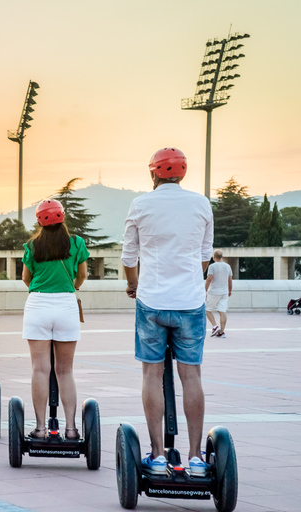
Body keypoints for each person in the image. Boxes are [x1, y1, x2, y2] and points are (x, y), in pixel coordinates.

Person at [121, 147, 213, 477]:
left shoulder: (141, 204)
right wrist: (190, 278)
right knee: (192, 376)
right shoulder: (201, 203)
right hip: (190, 302)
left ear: (153, 173)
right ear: (183, 173)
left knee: (152, 375)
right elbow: (205, 257)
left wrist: (134, 284)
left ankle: (158, 456)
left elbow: (129, 257)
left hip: (152, 301)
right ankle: (196, 457)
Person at [22, 199, 89, 440]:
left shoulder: (32, 245)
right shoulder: (76, 243)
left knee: (40, 369)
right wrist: (69, 287)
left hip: (38, 305)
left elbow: (26, 278)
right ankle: (71, 428)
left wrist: (43, 288)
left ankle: (40, 428)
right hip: (66, 305)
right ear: (62, 216)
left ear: (39, 219)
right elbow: (82, 276)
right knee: (65, 371)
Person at [205, 249, 233, 337]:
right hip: (224, 292)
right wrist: (230, 290)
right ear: (222, 257)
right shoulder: (227, 266)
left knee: (207, 310)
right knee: (222, 311)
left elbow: (209, 279)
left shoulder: (212, 267)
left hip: (214, 292)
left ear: (213, 257)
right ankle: (222, 331)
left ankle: (215, 326)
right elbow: (230, 280)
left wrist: (204, 290)